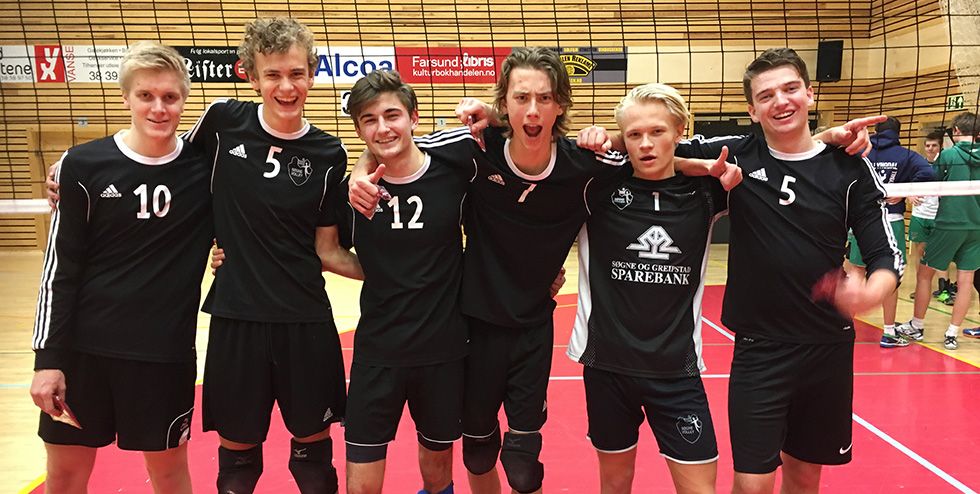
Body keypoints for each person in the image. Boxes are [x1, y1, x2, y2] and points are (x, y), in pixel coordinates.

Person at [348, 47, 743, 494]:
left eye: (544, 98)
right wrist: (358, 173)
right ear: (504, 104)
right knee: (477, 453)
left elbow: (649, 155)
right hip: (474, 328)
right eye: (521, 98)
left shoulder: (585, 166)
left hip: (533, 329)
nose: (533, 110)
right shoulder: (474, 149)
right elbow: (397, 147)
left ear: (560, 106)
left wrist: (694, 164)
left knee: (522, 467)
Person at [577, 48, 901, 494]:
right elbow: (655, 146)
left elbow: (885, 252)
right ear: (752, 110)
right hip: (759, 347)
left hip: (827, 345)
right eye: (766, 96)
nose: (780, 101)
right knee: (751, 484)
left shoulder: (849, 167)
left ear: (810, 93)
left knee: (805, 476)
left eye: (790, 89)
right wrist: (604, 138)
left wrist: (871, 292)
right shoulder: (737, 155)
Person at [30, 41, 212, 494]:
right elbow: (60, 268)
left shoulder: (206, 168)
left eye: (170, 97)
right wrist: (48, 361)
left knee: (169, 475)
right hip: (83, 354)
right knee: (65, 476)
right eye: (146, 95)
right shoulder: (83, 165)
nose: (158, 108)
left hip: (163, 355)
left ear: (184, 100)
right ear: (125, 97)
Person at [568, 83, 728, 493]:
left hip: (677, 370)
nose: (645, 144)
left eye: (657, 131)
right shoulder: (596, 186)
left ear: (679, 131)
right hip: (607, 366)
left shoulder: (708, 190)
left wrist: (828, 137)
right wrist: (605, 138)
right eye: (634, 135)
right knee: (615, 483)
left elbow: (772, 149)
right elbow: (535, 149)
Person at [338, 69, 475, 494]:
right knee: (362, 481)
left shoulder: (454, 169)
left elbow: (512, 136)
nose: (383, 128)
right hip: (378, 351)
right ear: (359, 129)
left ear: (414, 117)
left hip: (442, 350)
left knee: (437, 472)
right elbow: (324, 251)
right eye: (369, 120)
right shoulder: (352, 193)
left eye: (392, 115)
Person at [845, 117, 933, 347]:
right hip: (891, 220)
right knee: (889, 275)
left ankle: (845, 327)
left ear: (875, 131)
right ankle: (889, 332)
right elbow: (929, 173)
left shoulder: (862, 151)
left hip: (861, 220)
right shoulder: (906, 156)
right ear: (898, 132)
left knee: (856, 271)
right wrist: (903, 191)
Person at [898, 112, 980, 350]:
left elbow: (932, 181)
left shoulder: (949, 154)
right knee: (966, 280)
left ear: (956, 131)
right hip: (976, 226)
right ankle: (952, 334)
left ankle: (917, 325)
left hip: (949, 223)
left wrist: (910, 190)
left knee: (925, 274)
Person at [907, 130, 948, 302]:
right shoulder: (917, 165)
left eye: (934, 145)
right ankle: (921, 287)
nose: (930, 148)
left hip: (939, 216)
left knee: (940, 253)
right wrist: (909, 195)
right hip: (919, 215)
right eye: (928, 145)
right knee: (920, 252)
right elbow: (907, 185)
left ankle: (945, 290)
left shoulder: (946, 165)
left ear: (940, 147)